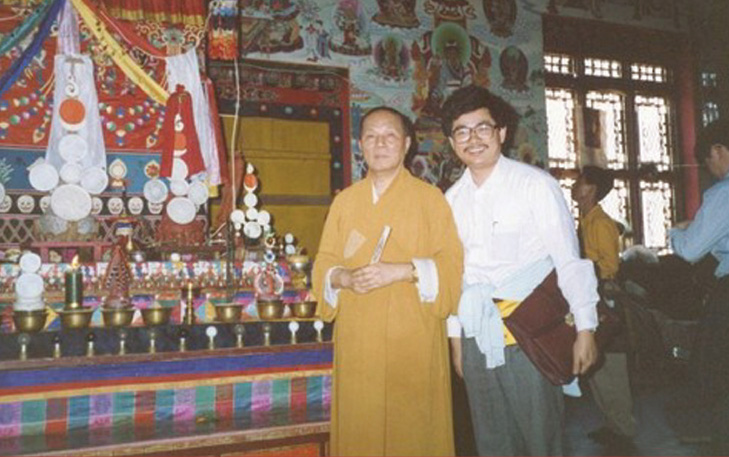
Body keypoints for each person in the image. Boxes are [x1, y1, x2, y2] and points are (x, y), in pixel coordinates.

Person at [441, 85, 599, 456]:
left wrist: (585, 328)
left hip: (531, 331)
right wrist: (456, 344)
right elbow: (456, 277)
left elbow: (568, 260)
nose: (473, 138)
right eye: (462, 131)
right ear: (451, 142)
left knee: (543, 440)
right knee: (492, 442)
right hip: (478, 335)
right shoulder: (451, 200)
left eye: (482, 128)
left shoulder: (535, 185)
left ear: (501, 133)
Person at [312, 106, 464, 455]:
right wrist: (344, 278)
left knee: (412, 434)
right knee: (360, 430)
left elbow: (452, 265)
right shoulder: (345, 202)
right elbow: (324, 263)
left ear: (407, 144)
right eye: (371, 136)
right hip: (358, 341)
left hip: (412, 340)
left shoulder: (430, 200)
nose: (380, 143)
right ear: (360, 145)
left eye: (390, 136)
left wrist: (402, 271)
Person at [670, 119, 729, 455]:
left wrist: (679, 232)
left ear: (719, 151)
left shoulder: (723, 193)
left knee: (720, 381)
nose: (710, 168)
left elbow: (692, 249)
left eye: (708, 160)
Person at [572, 166, 637, 452]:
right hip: (588, 297)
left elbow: (610, 268)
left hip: (603, 300)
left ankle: (624, 429)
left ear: (592, 190)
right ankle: (612, 425)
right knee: (596, 368)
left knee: (610, 367)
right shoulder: (584, 220)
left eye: (580, 182)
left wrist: (584, 271)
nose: (575, 186)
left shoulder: (601, 223)